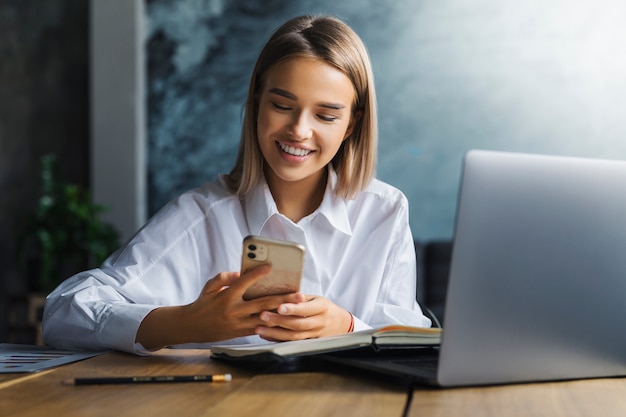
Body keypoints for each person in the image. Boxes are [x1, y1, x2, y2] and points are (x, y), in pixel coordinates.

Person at [42, 14, 431, 354]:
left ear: (352, 124)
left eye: (326, 116)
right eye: (282, 105)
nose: (299, 131)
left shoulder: (385, 211)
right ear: (257, 100)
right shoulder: (200, 214)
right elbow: (64, 311)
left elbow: (411, 343)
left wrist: (346, 328)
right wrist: (184, 323)